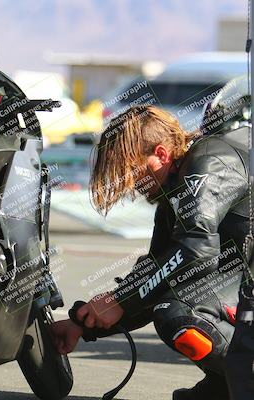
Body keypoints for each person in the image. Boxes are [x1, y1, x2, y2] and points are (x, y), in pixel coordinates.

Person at [51, 105, 250, 400]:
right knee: (171, 299)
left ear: (162, 153)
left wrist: (120, 299)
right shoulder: (174, 191)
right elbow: (158, 275)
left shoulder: (209, 162)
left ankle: (242, 380)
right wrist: (82, 323)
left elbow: (197, 250)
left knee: (181, 313)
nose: (130, 184)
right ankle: (227, 383)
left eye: (132, 170)